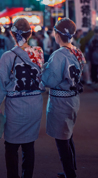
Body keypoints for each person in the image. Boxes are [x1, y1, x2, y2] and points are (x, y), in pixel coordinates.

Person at [0, 18, 44, 178]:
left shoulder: (8, 56)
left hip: (17, 104)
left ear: (12, 34)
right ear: (30, 34)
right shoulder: (38, 53)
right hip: (35, 103)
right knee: (28, 145)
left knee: (11, 146)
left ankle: (13, 176)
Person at [40, 18, 86, 178]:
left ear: (57, 34)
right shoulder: (77, 51)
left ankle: (70, 173)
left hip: (61, 101)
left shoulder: (59, 54)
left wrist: (42, 69)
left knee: (62, 140)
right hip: (73, 98)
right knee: (68, 134)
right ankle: (70, 169)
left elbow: (49, 80)